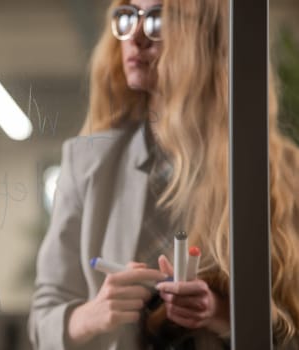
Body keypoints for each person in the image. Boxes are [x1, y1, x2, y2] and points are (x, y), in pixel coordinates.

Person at [28, 0, 299, 349]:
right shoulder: (88, 164)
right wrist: (96, 313)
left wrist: (221, 315)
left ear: (208, 38)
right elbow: (42, 321)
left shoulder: (281, 173)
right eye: (127, 16)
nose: (136, 36)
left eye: (158, 19)